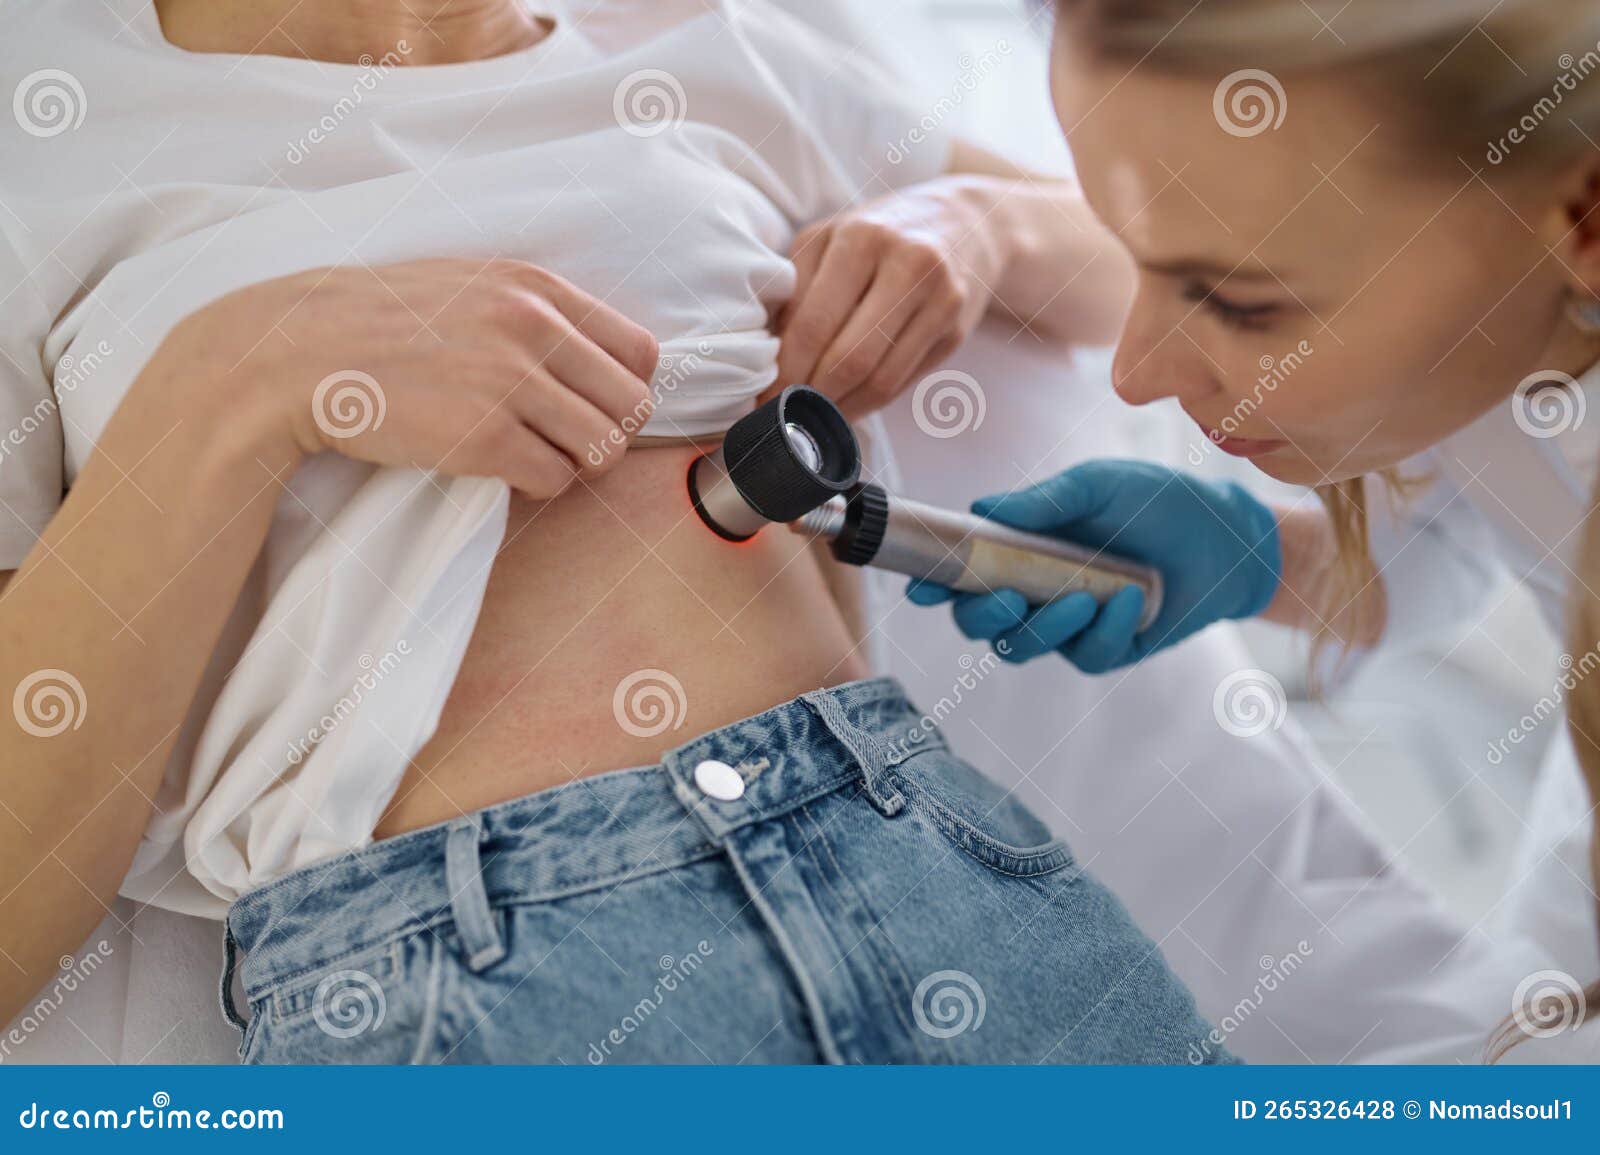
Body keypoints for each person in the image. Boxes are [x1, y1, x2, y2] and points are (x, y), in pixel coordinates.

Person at [0, 0, 1224, 1063]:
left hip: (921, 850)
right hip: (463, 976)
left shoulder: (691, 40)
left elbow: (1136, 262)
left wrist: (974, 225)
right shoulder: (38, 130)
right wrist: (228, 391)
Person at [914, 0, 1600, 1007]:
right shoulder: (1498, 335)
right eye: (1129, 257)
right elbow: (1461, 553)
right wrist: (1254, 557)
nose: (1136, 375)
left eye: (1239, 302)